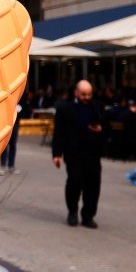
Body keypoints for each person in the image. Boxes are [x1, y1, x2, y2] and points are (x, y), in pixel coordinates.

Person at [52, 79, 105, 229]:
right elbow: (59, 133)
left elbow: (106, 125)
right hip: (74, 153)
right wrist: (57, 154)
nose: (86, 97)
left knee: (93, 186)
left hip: (93, 154)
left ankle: (88, 216)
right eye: (83, 94)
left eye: (89, 94)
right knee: (74, 183)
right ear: (76, 92)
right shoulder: (65, 109)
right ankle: (72, 211)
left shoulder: (97, 106)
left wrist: (101, 129)